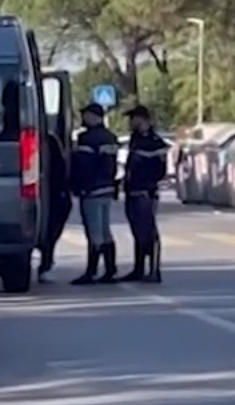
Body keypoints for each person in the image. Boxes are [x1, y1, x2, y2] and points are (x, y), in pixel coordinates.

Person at [69, 104, 119, 284]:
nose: (83, 118)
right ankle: (110, 269)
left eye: (86, 115)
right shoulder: (110, 137)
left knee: (94, 232)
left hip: (91, 190)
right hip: (107, 188)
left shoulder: (87, 139)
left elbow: (83, 166)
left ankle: (91, 271)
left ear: (94, 116)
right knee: (105, 230)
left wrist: (76, 185)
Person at [120, 105, 169, 282]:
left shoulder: (154, 142)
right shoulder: (136, 139)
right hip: (133, 191)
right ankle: (139, 268)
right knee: (137, 231)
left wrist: (148, 186)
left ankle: (154, 270)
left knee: (148, 231)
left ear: (143, 120)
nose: (130, 122)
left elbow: (158, 170)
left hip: (145, 193)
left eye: (133, 119)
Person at [37, 132, 73, 282]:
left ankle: (46, 261)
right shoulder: (49, 140)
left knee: (51, 228)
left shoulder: (48, 142)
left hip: (53, 193)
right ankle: (46, 262)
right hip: (55, 193)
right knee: (52, 229)